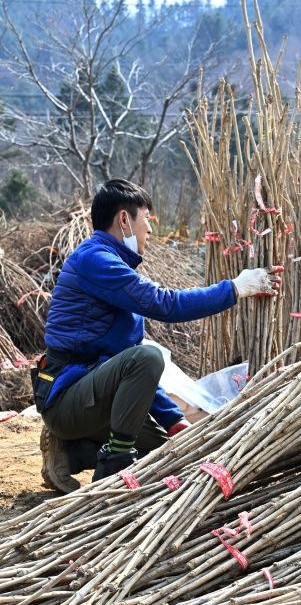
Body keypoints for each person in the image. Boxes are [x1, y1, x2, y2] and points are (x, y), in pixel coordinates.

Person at [37, 178, 281, 492]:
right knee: (148, 356)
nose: (150, 229)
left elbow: (126, 366)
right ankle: (112, 467)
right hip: (68, 398)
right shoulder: (96, 261)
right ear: (124, 220)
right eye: (147, 220)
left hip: (91, 397)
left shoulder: (113, 266)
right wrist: (235, 288)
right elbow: (166, 306)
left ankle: (71, 453)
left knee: (163, 449)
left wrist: (173, 421)